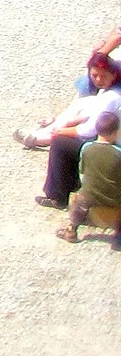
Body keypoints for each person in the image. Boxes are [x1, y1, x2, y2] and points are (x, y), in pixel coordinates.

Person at [30, 54, 121, 208]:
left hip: (111, 147)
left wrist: (59, 132)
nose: (98, 80)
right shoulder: (109, 92)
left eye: (103, 76)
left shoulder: (111, 96)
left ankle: (58, 196)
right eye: (94, 75)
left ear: (113, 75)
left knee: (60, 144)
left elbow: (89, 129)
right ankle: (71, 182)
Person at [56, 109, 121, 245]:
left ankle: (71, 228)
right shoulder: (118, 153)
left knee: (79, 198)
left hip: (90, 195)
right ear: (115, 133)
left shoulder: (86, 148)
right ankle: (118, 235)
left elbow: (82, 173)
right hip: (115, 198)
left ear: (97, 130)